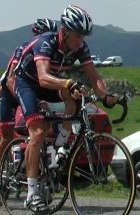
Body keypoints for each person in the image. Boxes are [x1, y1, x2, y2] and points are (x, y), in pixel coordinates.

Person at [12, 5, 117, 213]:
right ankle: (32, 194)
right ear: (64, 30)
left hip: (51, 84)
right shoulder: (46, 42)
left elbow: (94, 77)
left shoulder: (81, 48)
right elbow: (42, 77)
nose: (80, 41)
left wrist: (105, 96)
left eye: (84, 36)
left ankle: (61, 145)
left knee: (76, 100)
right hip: (28, 83)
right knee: (39, 132)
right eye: (77, 35)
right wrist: (68, 83)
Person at [0, 18, 58, 195]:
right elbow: (12, 79)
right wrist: (25, 104)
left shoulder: (48, 52)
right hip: (10, 90)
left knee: (44, 126)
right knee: (6, 136)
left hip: (28, 90)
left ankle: (35, 171)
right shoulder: (23, 48)